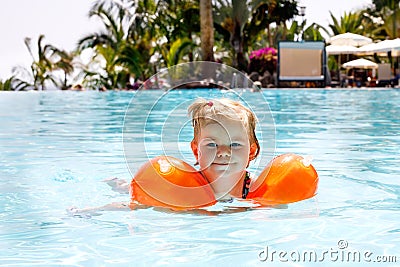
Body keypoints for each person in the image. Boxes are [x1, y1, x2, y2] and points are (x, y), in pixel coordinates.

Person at [68, 98, 260, 215]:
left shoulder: (255, 188)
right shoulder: (185, 185)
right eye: (212, 144)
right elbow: (136, 206)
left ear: (251, 152)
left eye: (235, 144)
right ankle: (121, 185)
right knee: (135, 190)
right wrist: (94, 211)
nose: (223, 151)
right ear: (196, 151)